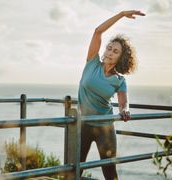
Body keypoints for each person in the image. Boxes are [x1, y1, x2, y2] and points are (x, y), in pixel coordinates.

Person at [78, 10, 145, 180]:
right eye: (109, 48)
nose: (109, 52)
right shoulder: (92, 62)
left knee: (109, 172)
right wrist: (122, 14)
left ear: (121, 58)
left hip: (105, 127)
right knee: (74, 169)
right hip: (83, 124)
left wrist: (125, 110)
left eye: (115, 51)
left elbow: (124, 102)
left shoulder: (119, 80)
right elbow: (98, 31)